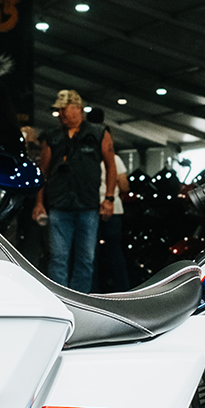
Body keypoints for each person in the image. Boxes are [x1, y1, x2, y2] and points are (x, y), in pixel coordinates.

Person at [32, 90, 116, 291]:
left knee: (86, 259)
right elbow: (42, 172)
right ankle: (60, 300)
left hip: (88, 207)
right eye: (58, 110)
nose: (60, 114)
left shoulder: (98, 133)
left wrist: (109, 199)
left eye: (64, 109)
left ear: (77, 108)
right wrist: (39, 203)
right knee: (57, 258)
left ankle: (80, 302)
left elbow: (111, 166)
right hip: (59, 207)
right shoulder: (52, 137)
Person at [88, 107, 131, 293]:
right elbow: (125, 186)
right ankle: (123, 288)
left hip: (92, 208)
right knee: (115, 252)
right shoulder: (115, 159)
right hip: (114, 209)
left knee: (91, 254)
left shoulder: (87, 159)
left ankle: (93, 290)